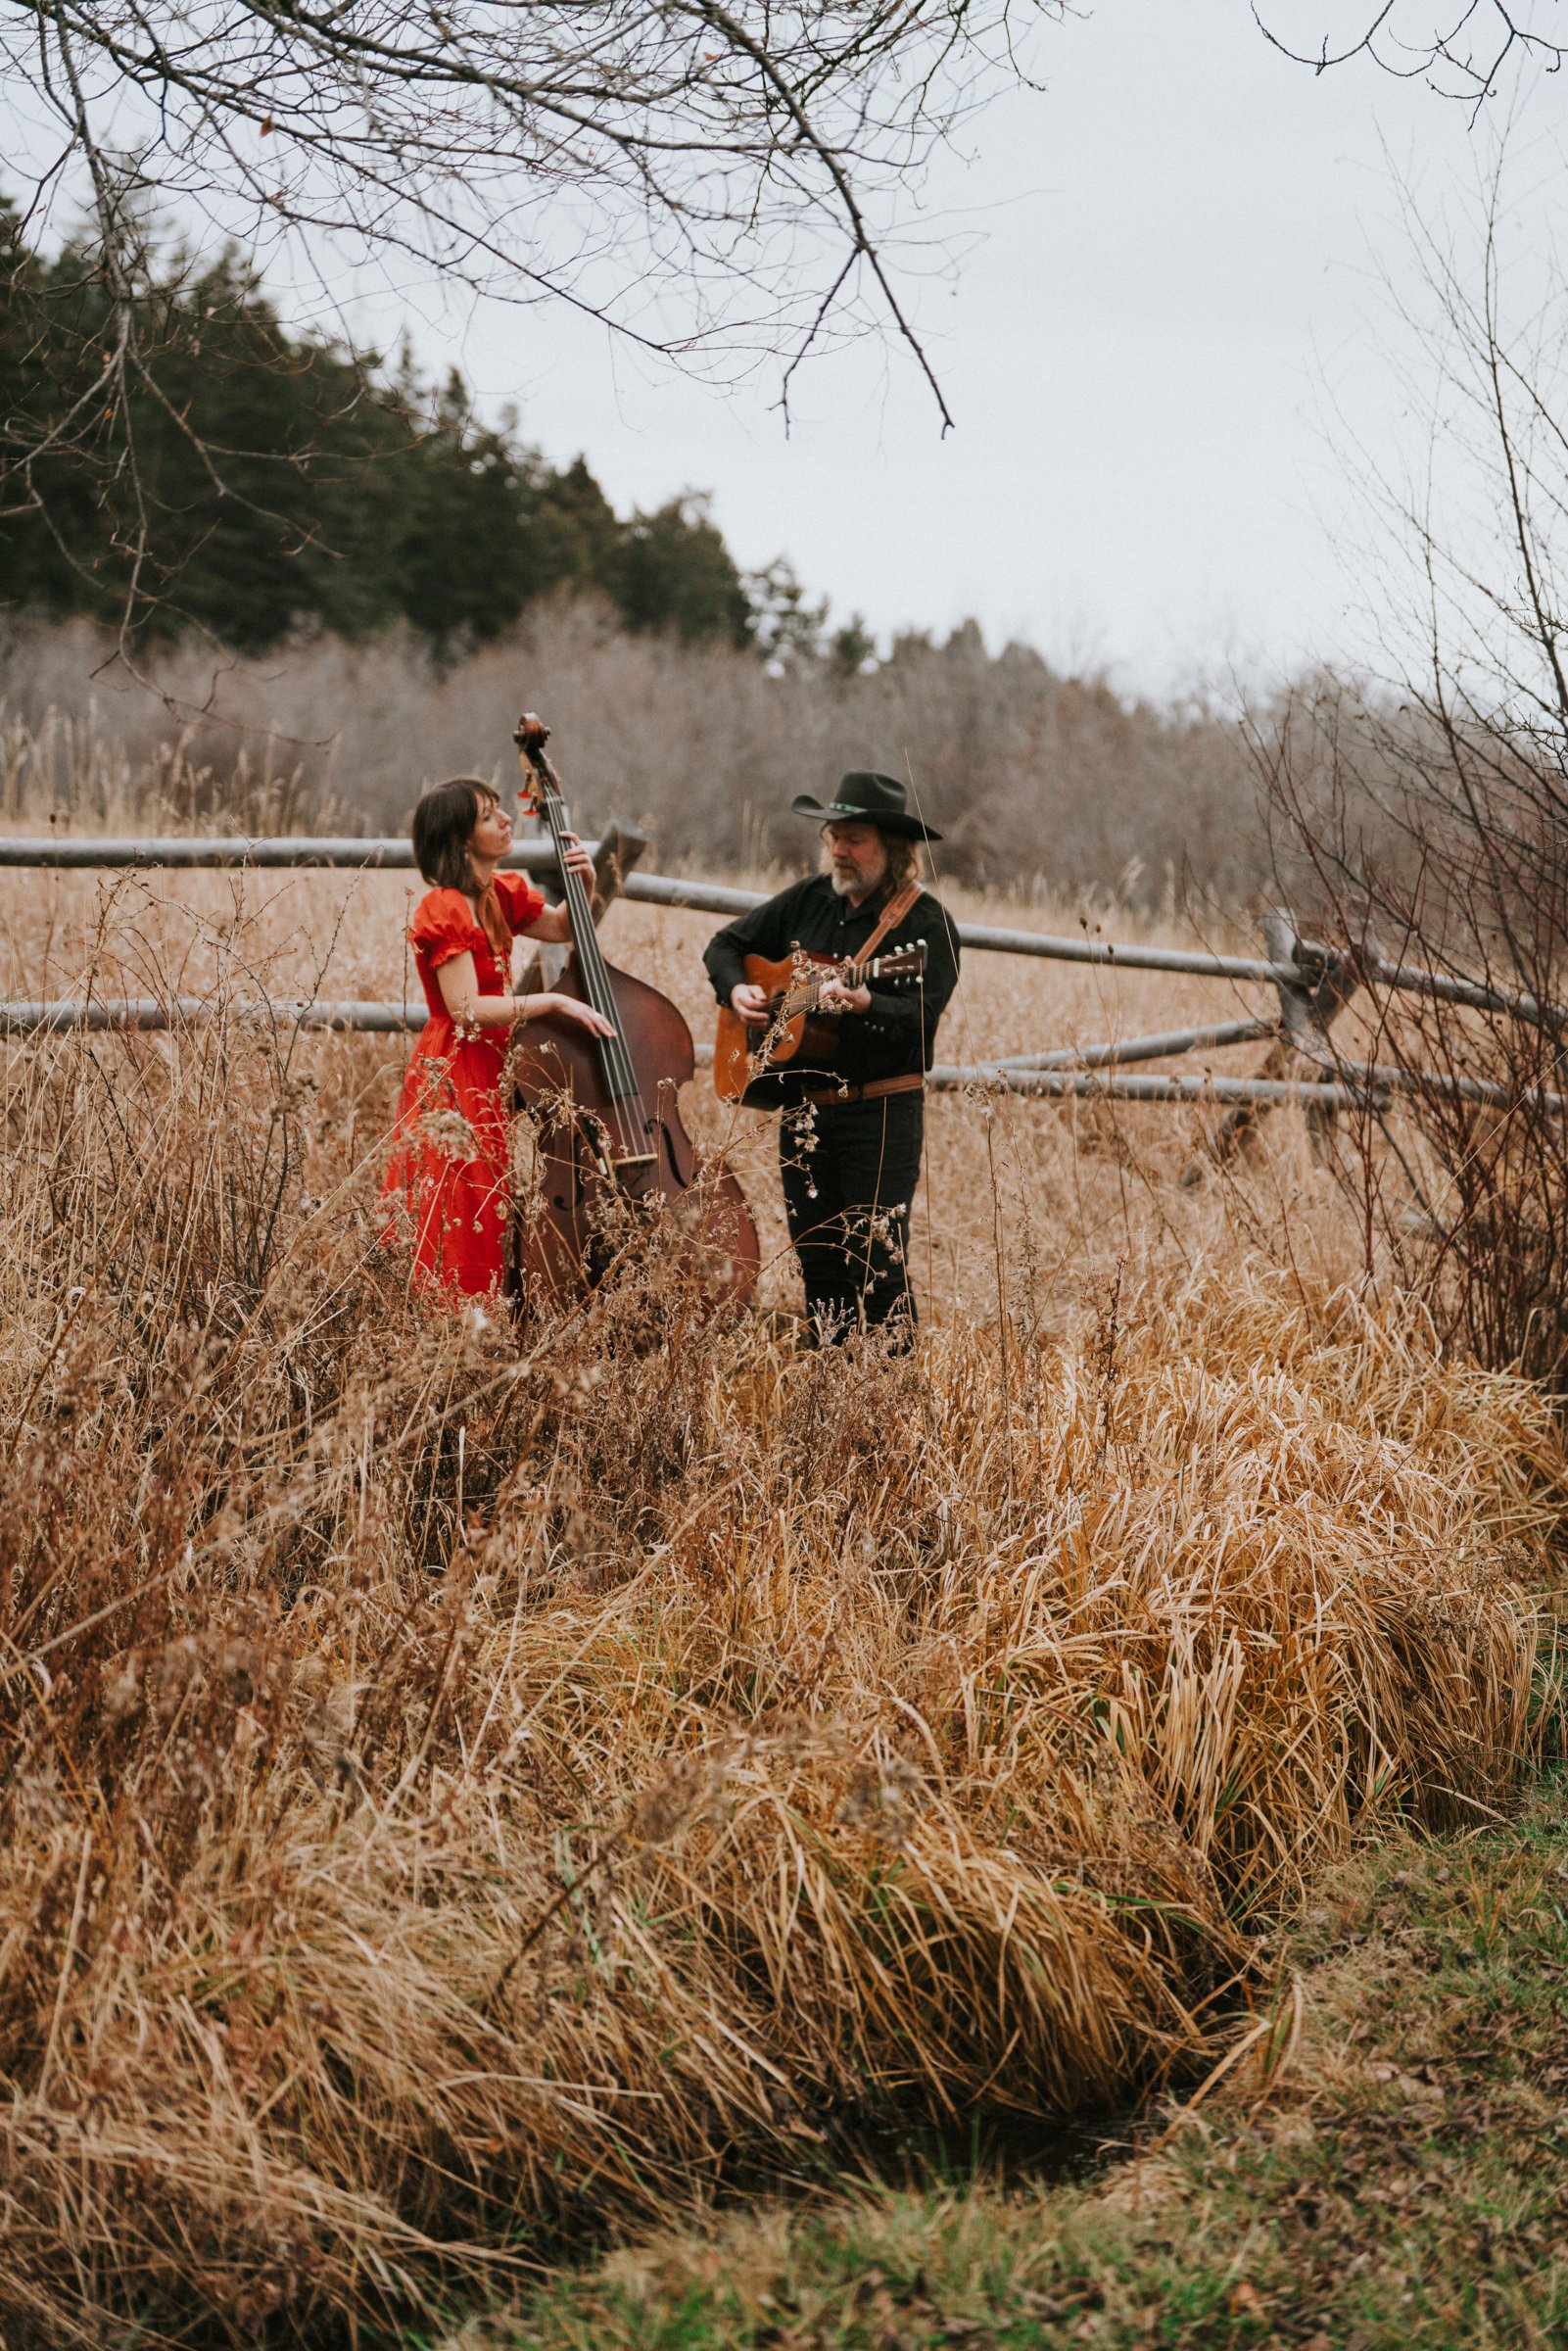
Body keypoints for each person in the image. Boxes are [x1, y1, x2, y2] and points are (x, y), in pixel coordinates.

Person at [702, 771, 959, 1339]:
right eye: (834, 836)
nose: (839, 849)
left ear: (893, 848)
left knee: (878, 1263)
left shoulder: (925, 924)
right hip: (804, 1109)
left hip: (881, 1111)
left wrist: (868, 1002)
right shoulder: (809, 899)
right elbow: (726, 945)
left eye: (855, 838)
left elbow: (922, 1018)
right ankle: (829, 1396)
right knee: (817, 1261)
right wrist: (736, 989)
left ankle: (891, 1401)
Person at [383, 774, 613, 1296]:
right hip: (454, 1067)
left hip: (489, 1065)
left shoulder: (499, 892)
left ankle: (479, 1325)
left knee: (488, 1192)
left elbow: (560, 927)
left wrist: (586, 883)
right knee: (460, 1196)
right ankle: (449, 1324)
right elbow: (464, 1008)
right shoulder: (443, 907)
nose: (507, 819)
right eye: (489, 815)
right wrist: (552, 1001)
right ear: (462, 839)